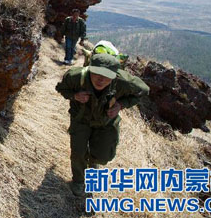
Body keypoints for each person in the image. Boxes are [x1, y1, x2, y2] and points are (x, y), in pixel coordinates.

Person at [55, 53, 149, 196]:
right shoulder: (76, 77)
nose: (101, 79)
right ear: (90, 69)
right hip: (81, 119)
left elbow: (143, 91)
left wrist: (121, 105)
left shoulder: (123, 82)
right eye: (97, 73)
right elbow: (61, 88)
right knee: (78, 152)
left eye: (107, 75)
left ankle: (93, 163)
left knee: (103, 156)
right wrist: (75, 96)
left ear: (114, 75)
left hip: (105, 122)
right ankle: (79, 181)